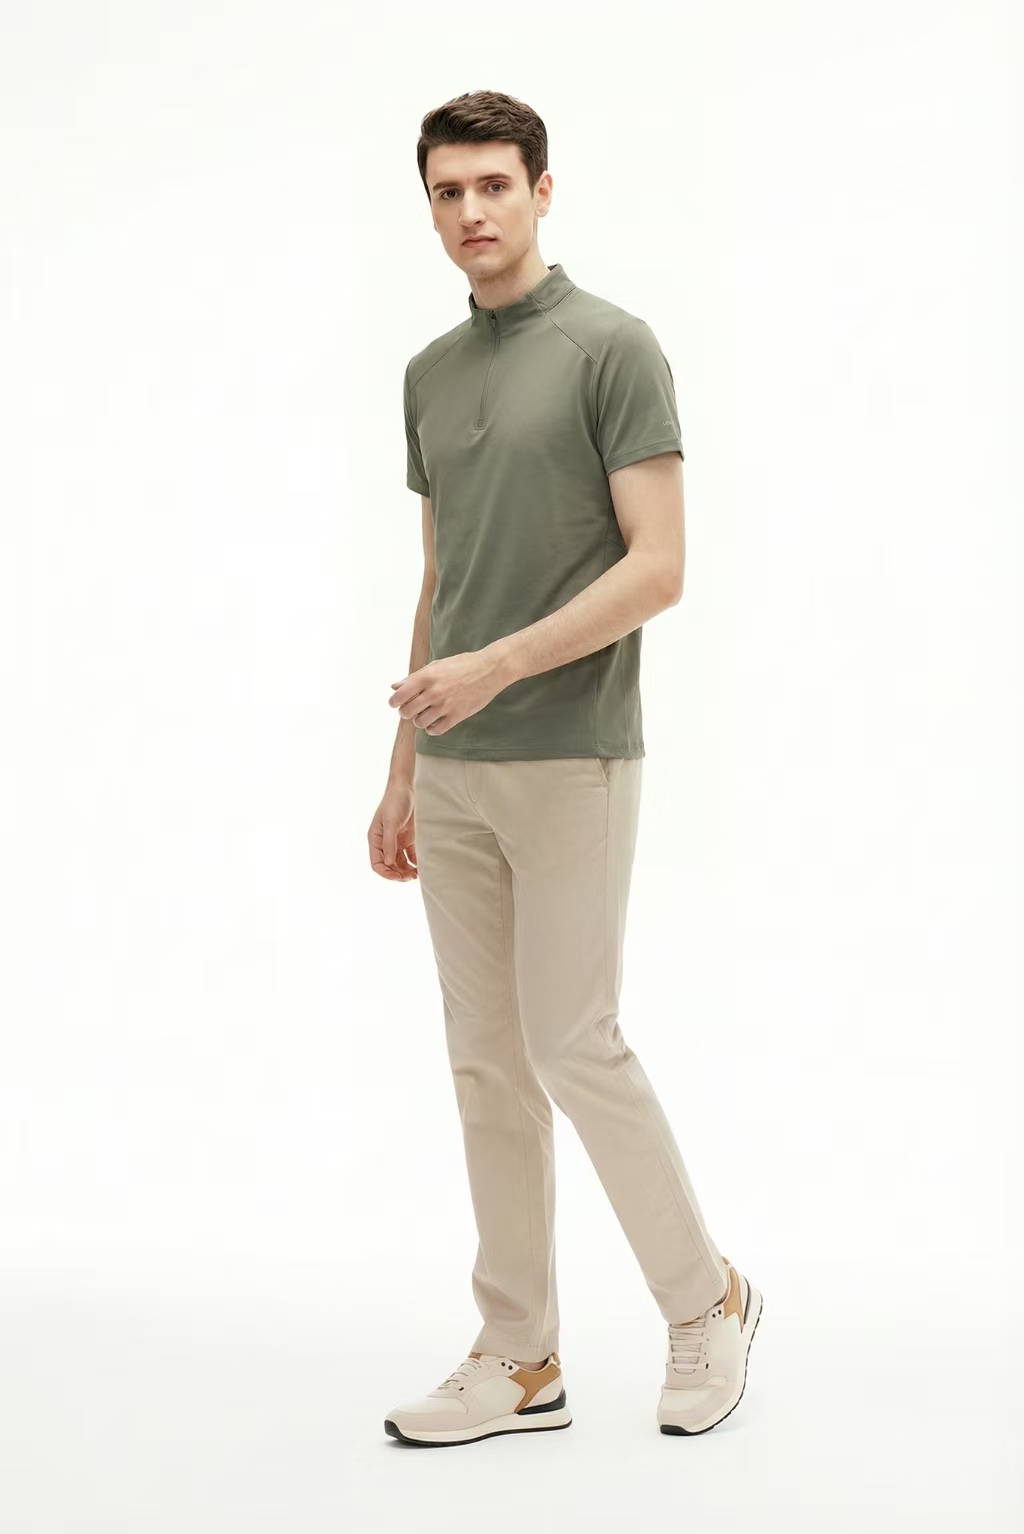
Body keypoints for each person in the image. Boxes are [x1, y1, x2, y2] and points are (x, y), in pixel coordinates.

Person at [368, 89, 762, 1447]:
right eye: (447, 191)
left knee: (572, 1041)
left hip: (572, 751)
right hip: (453, 768)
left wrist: (498, 669)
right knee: (486, 1062)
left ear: (542, 190)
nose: (470, 211)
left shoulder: (613, 347)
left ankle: (707, 1300)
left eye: (494, 184)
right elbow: (442, 581)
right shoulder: (429, 373)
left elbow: (661, 566)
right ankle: (520, 1354)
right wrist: (403, 766)